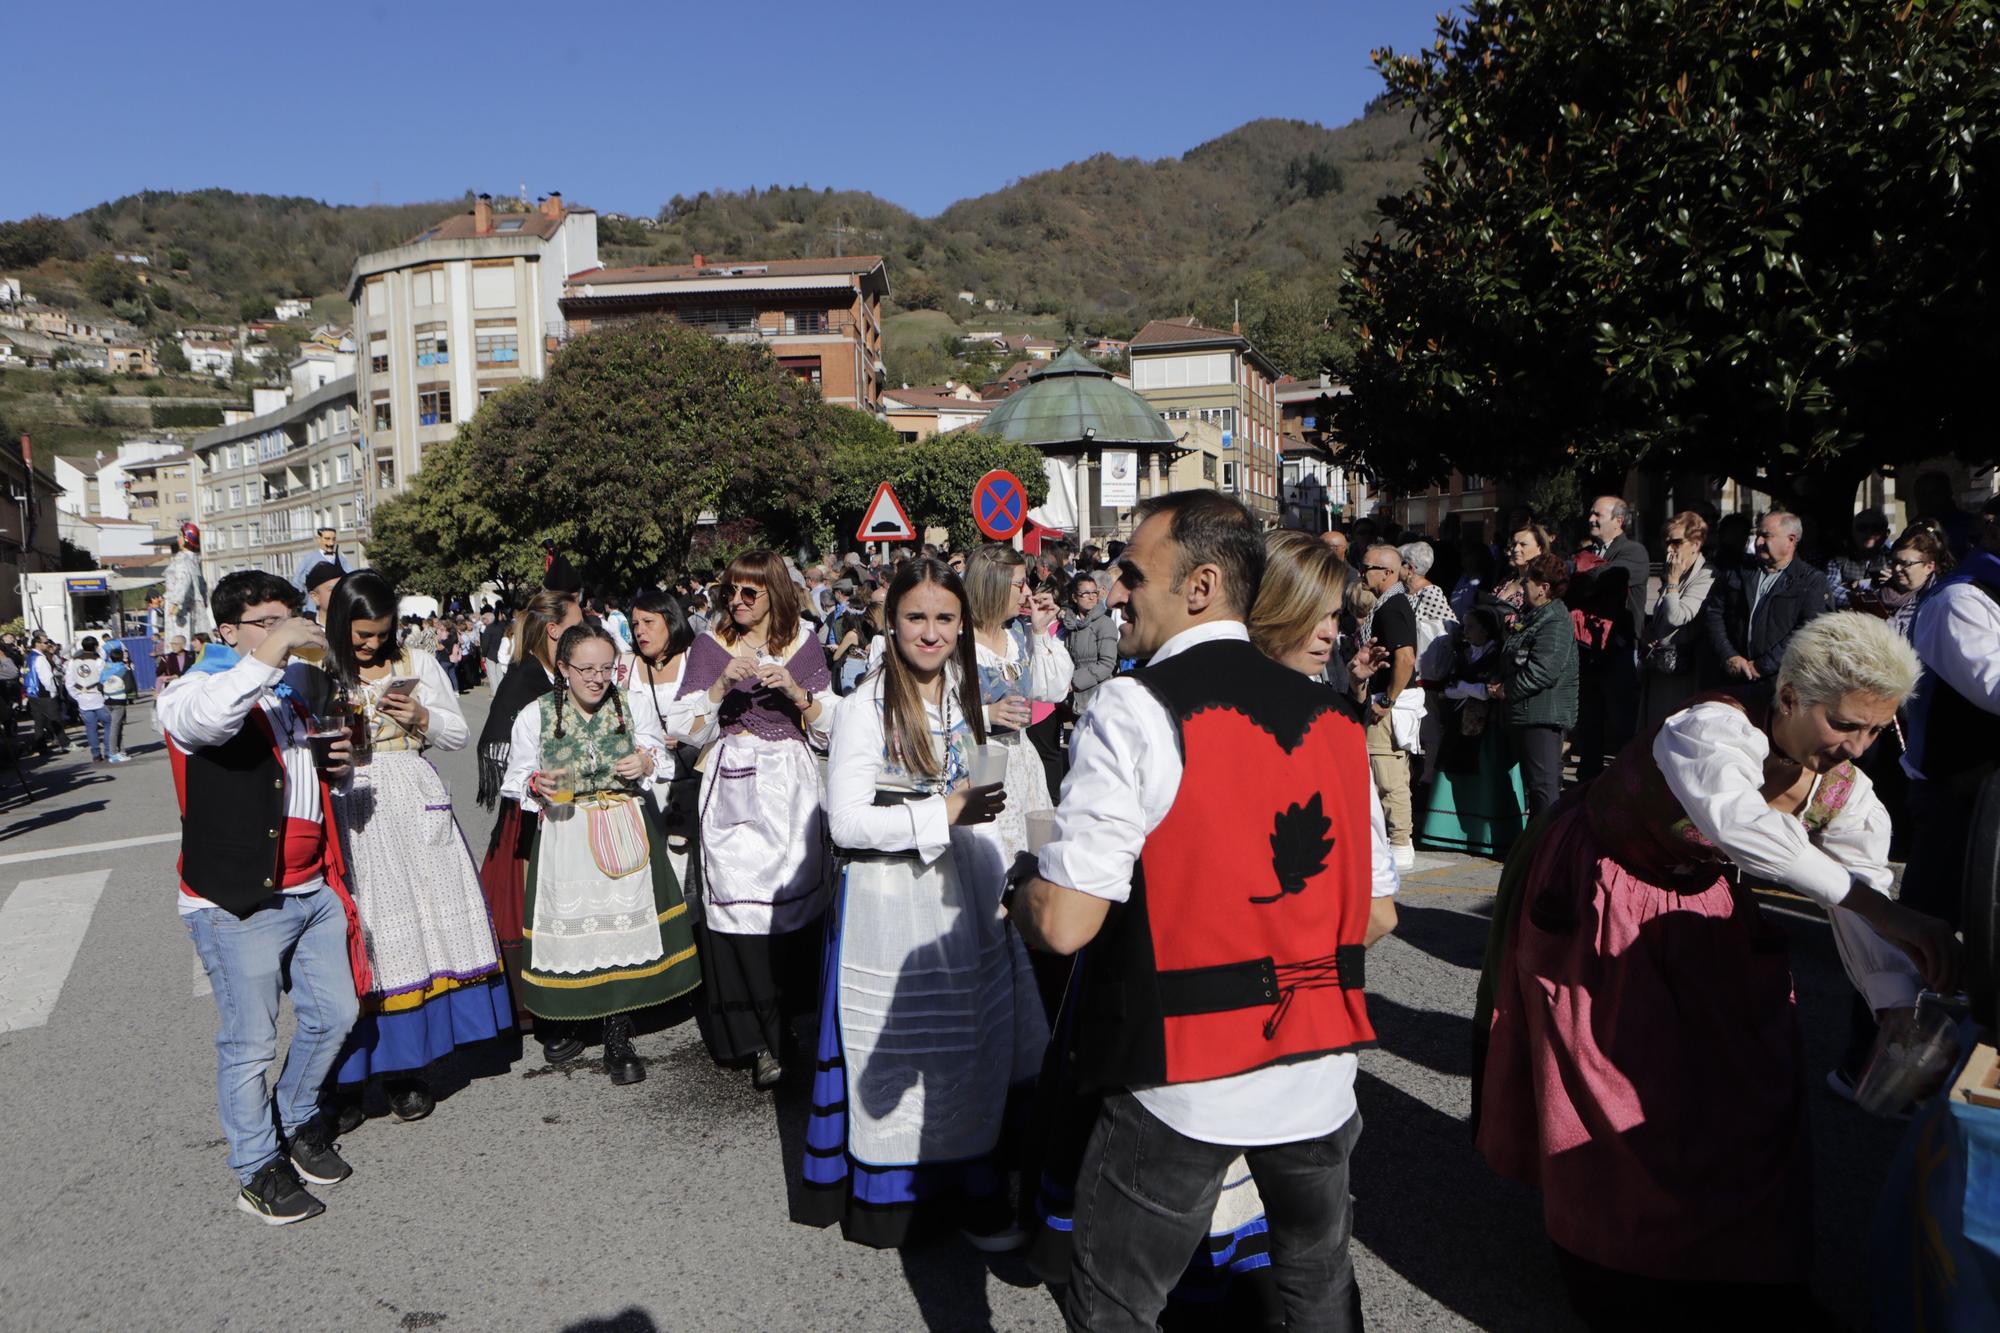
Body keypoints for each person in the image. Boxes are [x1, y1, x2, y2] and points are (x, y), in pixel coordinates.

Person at [1475, 613, 1959, 1328]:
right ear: (1790, 696)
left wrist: (1892, 1004)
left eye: (1874, 731)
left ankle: (1745, 1275)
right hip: (1606, 889)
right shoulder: (1710, 726)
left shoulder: (1840, 787)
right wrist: (1873, 906)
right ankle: (1618, 1277)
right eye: (1845, 724)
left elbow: (1860, 889)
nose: (1856, 748)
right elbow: (1738, 823)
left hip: (1698, 902)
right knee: (1616, 1089)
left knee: (1750, 1082)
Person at [1009, 491, 1396, 1332]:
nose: (1117, 593)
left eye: (1133, 575)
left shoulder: (1135, 704)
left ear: (1201, 585)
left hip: (1184, 1073)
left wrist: (1022, 896)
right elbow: (1377, 916)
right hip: (1318, 1070)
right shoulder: (1335, 718)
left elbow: (1070, 921)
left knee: (1114, 1302)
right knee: (1316, 1290)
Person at [802, 557, 1046, 1250]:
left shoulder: (965, 693)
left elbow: (978, 796)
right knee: (905, 1045)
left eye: (945, 618)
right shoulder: (862, 707)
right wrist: (940, 813)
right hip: (888, 902)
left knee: (972, 1044)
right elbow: (844, 823)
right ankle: (899, 1197)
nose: (931, 632)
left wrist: (1002, 872)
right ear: (890, 620)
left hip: (963, 890)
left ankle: (976, 1190)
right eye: (917, 616)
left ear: (964, 623)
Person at [159, 570, 363, 1226]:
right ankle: (254, 1167)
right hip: (237, 900)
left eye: (290, 616)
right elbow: (208, 723)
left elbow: (306, 780)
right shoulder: (192, 688)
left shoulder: (289, 691)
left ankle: (296, 1118)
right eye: (265, 620)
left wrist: (337, 765)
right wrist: (277, 649)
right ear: (228, 632)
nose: (285, 629)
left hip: (311, 886)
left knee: (334, 1013)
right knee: (249, 1042)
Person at [322, 571, 513, 1128]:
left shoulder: (417, 663)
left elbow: (456, 735)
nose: (371, 644)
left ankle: (408, 1072)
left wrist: (422, 718)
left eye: (380, 634)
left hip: (413, 795)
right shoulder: (319, 668)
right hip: (350, 804)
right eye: (360, 634)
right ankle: (351, 1075)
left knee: (421, 931)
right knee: (365, 937)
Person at [501, 622, 699, 1084]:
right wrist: (536, 784)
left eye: (606, 668)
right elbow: (515, 777)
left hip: (624, 822)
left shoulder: (630, 706)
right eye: (585, 668)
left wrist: (647, 761)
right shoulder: (535, 714)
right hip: (566, 831)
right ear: (563, 668)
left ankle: (616, 1031)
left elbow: (661, 755)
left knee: (618, 931)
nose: (597, 678)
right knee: (574, 934)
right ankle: (567, 1016)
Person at [674, 550, 834, 1091]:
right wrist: (719, 688)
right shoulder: (708, 645)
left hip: (789, 784)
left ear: (775, 594)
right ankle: (758, 1039)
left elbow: (830, 729)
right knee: (738, 904)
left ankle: (795, 1022)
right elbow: (686, 730)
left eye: (750, 593)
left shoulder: (805, 644)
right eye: (731, 592)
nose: (736, 602)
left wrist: (795, 692)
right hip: (733, 781)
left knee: (793, 902)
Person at [475, 586, 584, 1052]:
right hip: (530, 813)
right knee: (536, 912)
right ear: (555, 629)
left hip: (566, 806)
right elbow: (498, 751)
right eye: (578, 621)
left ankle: (572, 1004)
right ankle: (550, 1017)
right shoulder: (525, 679)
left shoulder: (555, 671)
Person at [1900, 496, 2000, 956]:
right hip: (1958, 798)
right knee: (1927, 941)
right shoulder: (1963, 597)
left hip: (1985, 796)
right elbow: (1993, 686)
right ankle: (1898, 1026)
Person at [964, 544, 1074, 863]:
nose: (1027, 592)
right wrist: (986, 714)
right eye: (1019, 583)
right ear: (993, 584)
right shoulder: (960, 642)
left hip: (1024, 761)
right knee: (992, 859)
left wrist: (1039, 631)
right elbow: (937, 712)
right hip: (982, 762)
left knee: (1030, 858)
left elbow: (1048, 690)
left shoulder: (1017, 636)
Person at [1418, 606, 1528, 856]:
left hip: (1488, 727)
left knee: (1487, 775)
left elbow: (1489, 690)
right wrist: (1468, 688)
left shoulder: (1499, 655)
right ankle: (1448, 831)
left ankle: (1487, 834)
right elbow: (1451, 687)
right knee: (1453, 771)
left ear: (1486, 629)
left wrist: (1467, 688)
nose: (1465, 631)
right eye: (1464, 626)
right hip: (1461, 724)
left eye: (1471, 626)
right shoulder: (1465, 653)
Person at [1702, 511, 1829, 698]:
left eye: (1766, 536)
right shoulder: (1738, 571)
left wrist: (1763, 666)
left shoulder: (1810, 581)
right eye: (1758, 535)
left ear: (1791, 540)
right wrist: (1729, 655)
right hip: (1733, 680)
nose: (1758, 542)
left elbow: (1810, 631)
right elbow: (1714, 613)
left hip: (1780, 686)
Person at [1493, 554, 1578, 818]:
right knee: (1537, 787)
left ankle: (1547, 850)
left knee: (1543, 788)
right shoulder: (1537, 615)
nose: (1523, 586)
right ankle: (1536, 848)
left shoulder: (1554, 620)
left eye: (1528, 581)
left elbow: (1543, 671)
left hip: (1542, 715)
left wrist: (1507, 689)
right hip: (1528, 713)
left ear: (1544, 588)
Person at [1573, 496, 1649, 782]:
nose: (1591, 519)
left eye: (1598, 515)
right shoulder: (1588, 552)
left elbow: (1601, 580)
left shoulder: (1634, 552)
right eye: (1590, 513)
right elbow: (1576, 585)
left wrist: (1585, 575)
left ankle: (1624, 787)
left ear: (1618, 521)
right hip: (1587, 651)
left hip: (1618, 651)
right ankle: (1587, 787)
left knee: (1620, 724)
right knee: (1589, 725)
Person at [1359, 543, 1419, 870]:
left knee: (1388, 773)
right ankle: (1394, 841)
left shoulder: (1392, 607)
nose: (1360, 572)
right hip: (1384, 699)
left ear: (1387, 572)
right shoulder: (1388, 603)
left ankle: (1400, 843)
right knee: (1383, 772)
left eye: (1366, 566)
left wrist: (1387, 700)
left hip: (1389, 703)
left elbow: (1405, 657)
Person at [623, 588, 700, 837]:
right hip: (646, 780)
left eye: (648, 622)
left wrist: (691, 733)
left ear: (671, 620)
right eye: (635, 624)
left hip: (694, 773)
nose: (639, 630)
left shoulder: (695, 659)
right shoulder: (627, 665)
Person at [1639, 511, 1717, 732]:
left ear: (1696, 543)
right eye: (1667, 542)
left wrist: (1672, 582)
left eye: (1677, 542)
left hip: (1685, 674)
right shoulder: (1678, 571)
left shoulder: (1706, 574)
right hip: (1660, 670)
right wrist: (1650, 630)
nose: (1670, 549)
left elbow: (1677, 616)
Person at [1062, 571, 1120, 715]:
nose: (1091, 597)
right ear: (1074, 597)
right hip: (1074, 698)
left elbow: (1107, 664)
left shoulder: (1105, 624)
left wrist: (1074, 681)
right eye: (1085, 593)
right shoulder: (1070, 624)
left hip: (1098, 698)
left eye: (1094, 592)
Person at [1880, 527, 1951, 641]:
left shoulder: (1938, 600)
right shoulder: (1878, 592)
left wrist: (1875, 622)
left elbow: (1920, 637)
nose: (1897, 568)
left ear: (1928, 567)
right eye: (1894, 561)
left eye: (1906, 563)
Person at [1826, 509, 1891, 609]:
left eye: (1876, 528)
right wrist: (1864, 601)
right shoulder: (1839, 558)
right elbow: (1830, 589)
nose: (1869, 532)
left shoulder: (1894, 559)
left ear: (1886, 533)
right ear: (1852, 532)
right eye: (1862, 528)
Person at [831, 584, 885, 695]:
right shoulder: (870, 633)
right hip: (864, 670)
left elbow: (836, 656)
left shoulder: (851, 635)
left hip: (850, 671)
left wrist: (837, 649)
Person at [65, 636, 111, 764]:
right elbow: (105, 680)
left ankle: (96, 754)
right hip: (98, 697)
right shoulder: (99, 661)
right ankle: (108, 751)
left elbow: (69, 682)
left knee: (90, 727)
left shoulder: (72, 662)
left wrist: (77, 696)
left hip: (83, 698)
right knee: (108, 723)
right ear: (96, 646)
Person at [164, 521, 212, 641]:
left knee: (180, 641)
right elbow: (203, 588)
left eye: (180, 535)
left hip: (181, 609)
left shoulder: (182, 559)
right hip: (193, 607)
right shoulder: (194, 561)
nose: (178, 539)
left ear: (187, 538)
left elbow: (183, 580)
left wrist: (175, 602)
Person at [24, 635, 69, 755]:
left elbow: (23, 673)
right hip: (44, 693)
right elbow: (47, 678)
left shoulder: (29, 657)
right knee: (56, 719)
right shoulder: (40, 658)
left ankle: (41, 747)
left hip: (32, 693)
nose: (48, 644)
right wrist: (53, 692)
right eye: (45, 642)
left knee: (39, 721)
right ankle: (65, 744)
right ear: (37, 643)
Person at [293, 528, 348, 612]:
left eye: (333, 539)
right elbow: (296, 584)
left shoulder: (341, 560)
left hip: (337, 609)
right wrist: (305, 601)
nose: (331, 543)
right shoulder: (309, 559)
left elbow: (351, 578)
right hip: (313, 610)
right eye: (327, 539)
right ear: (318, 539)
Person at [100, 643, 136, 763]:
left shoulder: (105, 668)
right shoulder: (124, 669)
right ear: (121, 657)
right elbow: (130, 687)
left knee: (117, 725)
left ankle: (122, 751)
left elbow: (99, 685)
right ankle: (113, 753)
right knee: (115, 727)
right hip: (119, 700)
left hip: (107, 699)